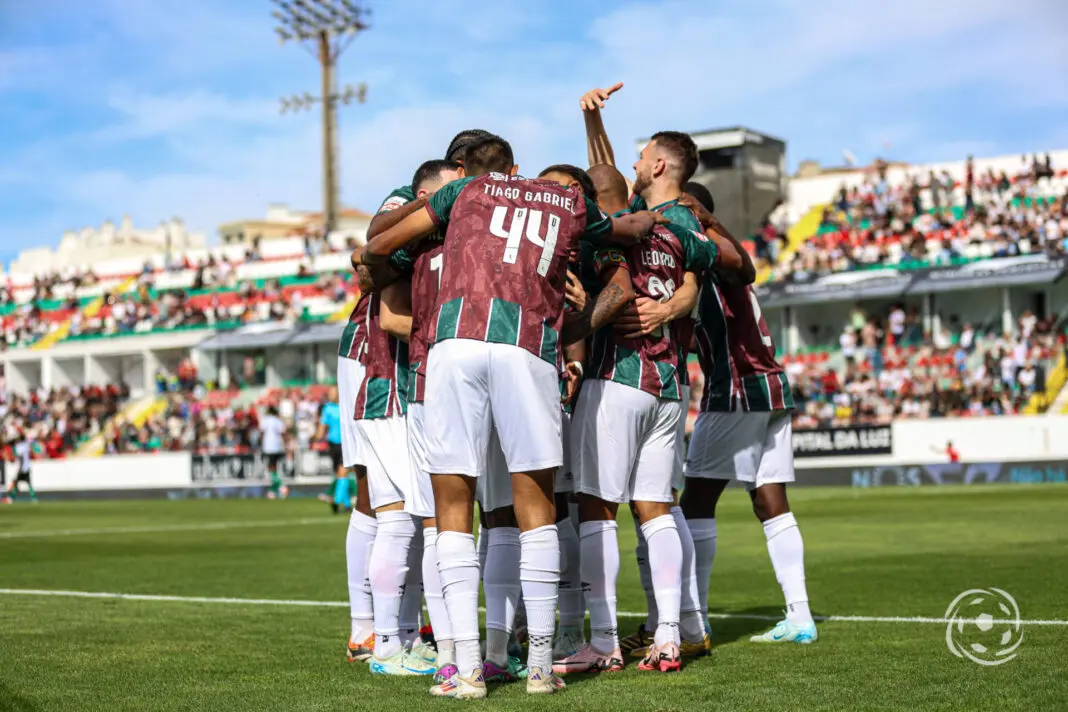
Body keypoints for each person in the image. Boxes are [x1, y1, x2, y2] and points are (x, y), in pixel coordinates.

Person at [363, 135, 665, 699]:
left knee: (452, 506)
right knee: (536, 504)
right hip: (529, 343)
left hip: (456, 339)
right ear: (518, 170)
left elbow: (379, 244)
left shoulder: (465, 191)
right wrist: (650, 215)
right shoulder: (567, 202)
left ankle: (467, 669)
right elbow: (625, 232)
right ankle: (542, 667)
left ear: (464, 168)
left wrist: (393, 244)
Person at [555, 164, 742, 676]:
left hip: (616, 377)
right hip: (671, 386)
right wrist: (685, 290)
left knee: (596, 510)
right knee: (657, 509)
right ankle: (668, 638)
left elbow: (605, 298)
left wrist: (582, 310)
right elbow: (735, 262)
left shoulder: (601, 236)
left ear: (595, 200)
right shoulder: (679, 233)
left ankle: (604, 641)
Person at [677, 185, 818, 645]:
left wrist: (706, 221)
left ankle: (694, 617)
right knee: (769, 501)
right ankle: (799, 615)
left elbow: (743, 266)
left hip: (737, 387)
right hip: (771, 388)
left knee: (695, 501)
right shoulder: (715, 256)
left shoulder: (713, 258)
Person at [259, 406, 288, 499]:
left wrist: (259, 442)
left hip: (268, 446)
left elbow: (261, 431)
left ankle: (281, 486)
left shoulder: (265, 420)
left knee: (271, 468)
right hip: (277, 446)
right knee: (274, 468)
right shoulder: (277, 420)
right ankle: (272, 491)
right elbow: (283, 432)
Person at [5, 429, 37, 503]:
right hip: (27, 467)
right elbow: (31, 441)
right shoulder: (26, 444)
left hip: (21, 468)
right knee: (29, 483)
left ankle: (11, 498)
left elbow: (15, 455)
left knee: (15, 482)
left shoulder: (18, 447)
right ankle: (34, 498)